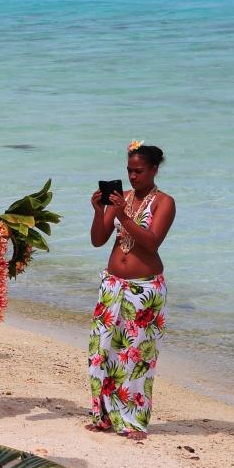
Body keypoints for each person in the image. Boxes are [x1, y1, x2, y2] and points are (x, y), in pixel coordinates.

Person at [87, 142, 175, 441]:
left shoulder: (164, 202)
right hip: (112, 285)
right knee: (101, 351)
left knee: (136, 356)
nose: (133, 176)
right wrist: (100, 211)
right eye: (129, 171)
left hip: (144, 289)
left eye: (139, 171)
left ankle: (133, 421)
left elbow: (151, 242)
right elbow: (98, 240)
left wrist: (123, 216)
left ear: (154, 169)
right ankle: (103, 415)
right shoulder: (120, 198)